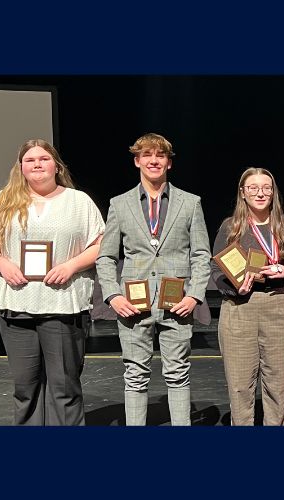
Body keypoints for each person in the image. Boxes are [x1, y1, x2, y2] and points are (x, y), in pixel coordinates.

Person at [0, 139, 105, 425]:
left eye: (44, 158)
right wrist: (2, 264)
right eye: (30, 160)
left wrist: (71, 266)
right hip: (17, 303)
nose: (37, 164)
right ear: (20, 167)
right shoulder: (2, 201)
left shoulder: (78, 201)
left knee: (64, 388)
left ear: (56, 166)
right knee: (25, 387)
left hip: (63, 304)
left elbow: (100, 244)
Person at [96, 133, 211, 426]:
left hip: (178, 303)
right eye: (147, 155)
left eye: (160, 155)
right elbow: (106, 257)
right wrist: (113, 295)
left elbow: (201, 255)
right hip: (133, 305)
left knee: (178, 373)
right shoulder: (119, 204)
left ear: (169, 163)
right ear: (137, 161)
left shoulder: (190, 203)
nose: (154, 160)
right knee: (135, 375)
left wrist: (194, 295)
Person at [210, 167, 284, 425]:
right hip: (239, 308)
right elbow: (216, 270)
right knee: (240, 386)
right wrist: (235, 288)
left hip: (278, 305)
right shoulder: (231, 227)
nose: (260, 193)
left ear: (273, 193)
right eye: (253, 188)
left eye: (266, 188)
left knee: (278, 386)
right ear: (243, 192)